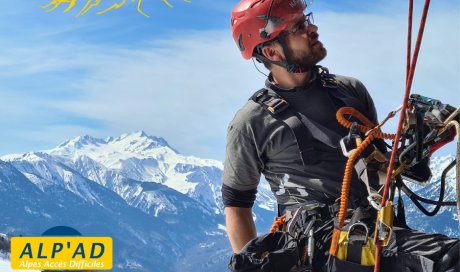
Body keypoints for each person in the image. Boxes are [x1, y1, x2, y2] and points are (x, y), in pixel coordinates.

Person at [222, 0, 459, 271]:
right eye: (299, 26)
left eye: (307, 19)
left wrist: (421, 141)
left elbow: (380, 167)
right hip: (318, 248)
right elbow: (237, 205)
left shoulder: (349, 91)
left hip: (375, 231)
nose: (313, 27)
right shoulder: (251, 122)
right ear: (273, 51)